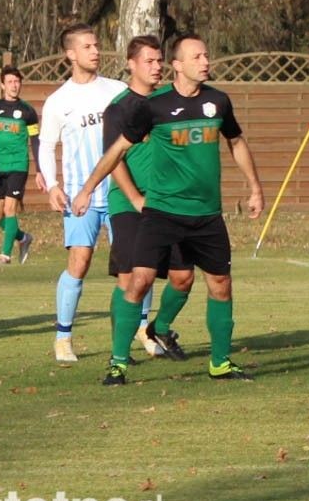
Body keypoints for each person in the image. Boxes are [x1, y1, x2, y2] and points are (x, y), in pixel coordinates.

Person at [71, 33, 264, 384]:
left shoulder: (218, 102)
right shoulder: (153, 106)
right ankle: (118, 363)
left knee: (219, 283)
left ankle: (220, 363)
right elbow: (116, 152)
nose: (206, 62)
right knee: (140, 280)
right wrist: (87, 189)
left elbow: (235, 141)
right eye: (197, 57)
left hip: (206, 214)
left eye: (207, 55)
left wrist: (254, 187)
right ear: (178, 65)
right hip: (161, 212)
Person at [101, 35, 196, 361]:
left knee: (184, 277)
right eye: (150, 61)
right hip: (129, 204)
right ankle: (120, 355)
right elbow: (113, 160)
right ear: (132, 64)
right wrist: (136, 198)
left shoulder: (170, 103)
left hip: (169, 205)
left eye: (160, 61)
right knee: (130, 280)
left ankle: (160, 327)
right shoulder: (118, 109)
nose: (157, 67)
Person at [38, 24, 127, 364]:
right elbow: (46, 147)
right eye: (88, 46)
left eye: (97, 45)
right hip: (81, 197)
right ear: (71, 53)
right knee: (80, 261)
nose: (96, 51)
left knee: (133, 266)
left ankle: (140, 331)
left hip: (120, 193)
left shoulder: (117, 91)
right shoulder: (59, 101)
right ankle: (63, 337)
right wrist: (53, 185)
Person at [0, 65, 41, 264]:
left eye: (17, 81)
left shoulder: (28, 111)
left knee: (10, 209)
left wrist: (40, 170)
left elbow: (35, 140)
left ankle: (5, 255)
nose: (14, 85)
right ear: (2, 84)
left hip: (18, 166)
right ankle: (23, 238)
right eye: (10, 82)